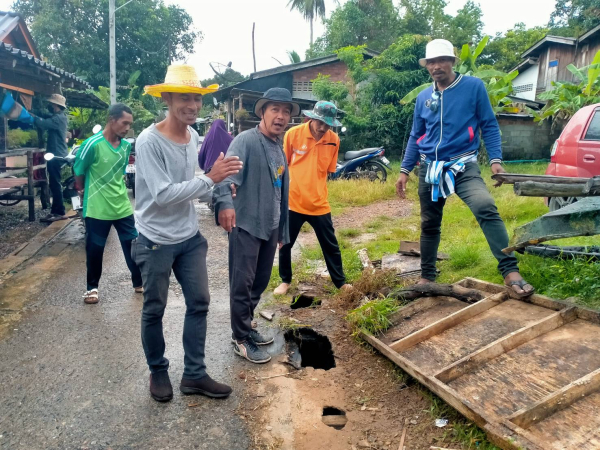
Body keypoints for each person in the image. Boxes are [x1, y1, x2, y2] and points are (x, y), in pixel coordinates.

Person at [134, 65, 243, 403]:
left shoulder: (193, 136)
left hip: (189, 238)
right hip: (154, 240)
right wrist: (211, 179)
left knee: (199, 302)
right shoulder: (149, 141)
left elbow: (196, 183)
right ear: (166, 98)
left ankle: (194, 374)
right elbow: (164, 194)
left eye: (197, 98)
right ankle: (158, 370)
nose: (193, 106)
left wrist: (221, 196)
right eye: (185, 98)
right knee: (155, 308)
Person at [395, 39, 535, 298]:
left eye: (441, 60)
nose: (436, 66)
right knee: (429, 223)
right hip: (429, 168)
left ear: (452, 61)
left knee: (485, 206)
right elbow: (417, 135)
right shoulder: (424, 97)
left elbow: (489, 125)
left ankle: (509, 270)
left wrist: (495, 160)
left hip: (463, 164)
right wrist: (404, 170)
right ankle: (427, 276)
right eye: (431, 62)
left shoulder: (473, 87)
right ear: (427, 66)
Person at [214, 88, 298, 364]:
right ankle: (240, 338)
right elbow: (227, 177)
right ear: (262, 112)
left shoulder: (278, 147)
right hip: (247, 224)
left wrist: (283, 230)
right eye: (275, 109)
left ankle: (246, 324)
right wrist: (225, 202)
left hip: (270, 225)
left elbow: (280, 192)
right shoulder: (246, 141)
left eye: (286, 111)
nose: (281, 116)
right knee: (243, 282)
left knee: (260, 281)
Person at [274, 101, 352, 296]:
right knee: (285, 244)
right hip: (293, 201)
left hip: (319, 203)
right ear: (312, 117)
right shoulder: (293, 134)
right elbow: (284, 166)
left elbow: (327, 171)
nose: (322, 127)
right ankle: (285, 281)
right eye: (319, 122)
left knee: (330, 245)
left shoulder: (334, 140)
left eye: (327, 124)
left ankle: (340, 282)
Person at [74, 103, 143, 304]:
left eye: (129, 124)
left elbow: (120, 172)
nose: (127, 128)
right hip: (97, 207)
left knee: (132, 244)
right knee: (95, 248)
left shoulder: (126, 146)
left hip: (121, 205)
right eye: (124, 123)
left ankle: (138, 282)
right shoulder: (92, 144)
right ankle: (92, 288)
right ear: (111, 120)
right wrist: (81, 189)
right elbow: (78, 170)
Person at [33, 94, 69, 222]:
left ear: (55, 105)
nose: (50, 106)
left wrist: (31, 117)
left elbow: (43, 123)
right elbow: (45, 115)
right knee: (54, 184)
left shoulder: (57, 119)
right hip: (57, 154)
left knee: (55, 184)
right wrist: (34, 112)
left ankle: (59, 212)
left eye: (51, 104)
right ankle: (55, 211)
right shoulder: (59, 117)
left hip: (57, 155)